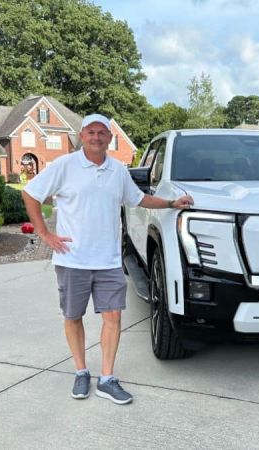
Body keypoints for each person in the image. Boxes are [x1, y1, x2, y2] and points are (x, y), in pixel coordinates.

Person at [22, 113, 193, 404]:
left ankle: (107, 378)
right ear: (82, 135)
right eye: (91, 132)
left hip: (109, 261)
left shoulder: (118, 170)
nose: (97, 137)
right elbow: (30, 194)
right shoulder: (65, 165)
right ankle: (80, 371)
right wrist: (44, 234)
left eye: (102, 133)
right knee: (73, 316)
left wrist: (170, 203)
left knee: (113, 317)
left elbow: (138, 199)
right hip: (72, 260)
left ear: (110, 138)